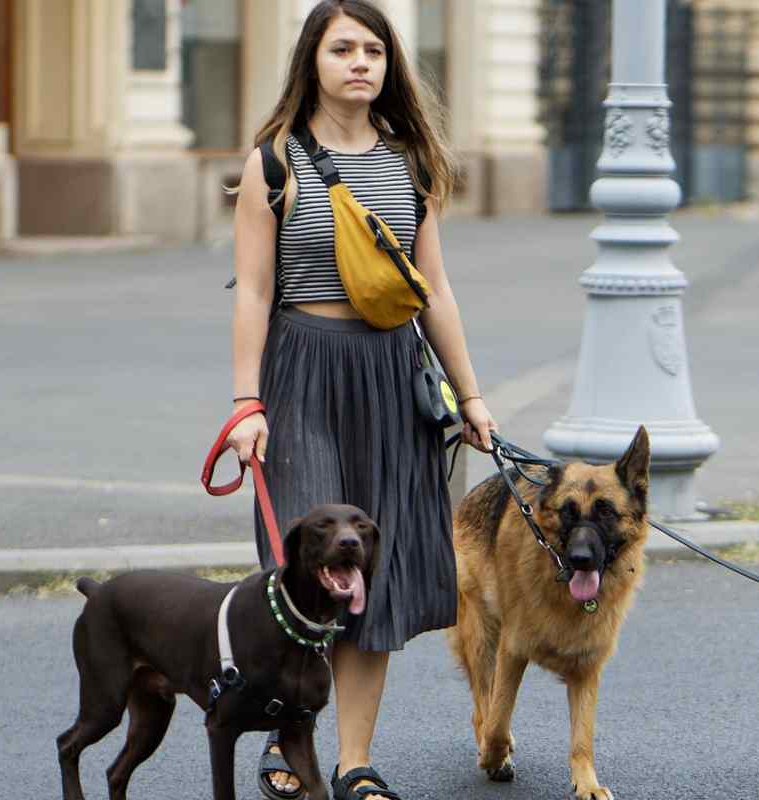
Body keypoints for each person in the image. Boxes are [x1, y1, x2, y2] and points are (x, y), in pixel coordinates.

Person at [226, 3, 496, 799]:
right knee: (311, 565)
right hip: (301, 369)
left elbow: (434, 288)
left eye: (374, 49)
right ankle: (291, 741)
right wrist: (247, 404)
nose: (360, 62)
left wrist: (472, 395)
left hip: (390, 375)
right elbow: (252, 295)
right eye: (343, 47)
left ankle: (353, 765)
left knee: (366, 571)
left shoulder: (411, 163)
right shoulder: (272, 163)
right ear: (314, 58)